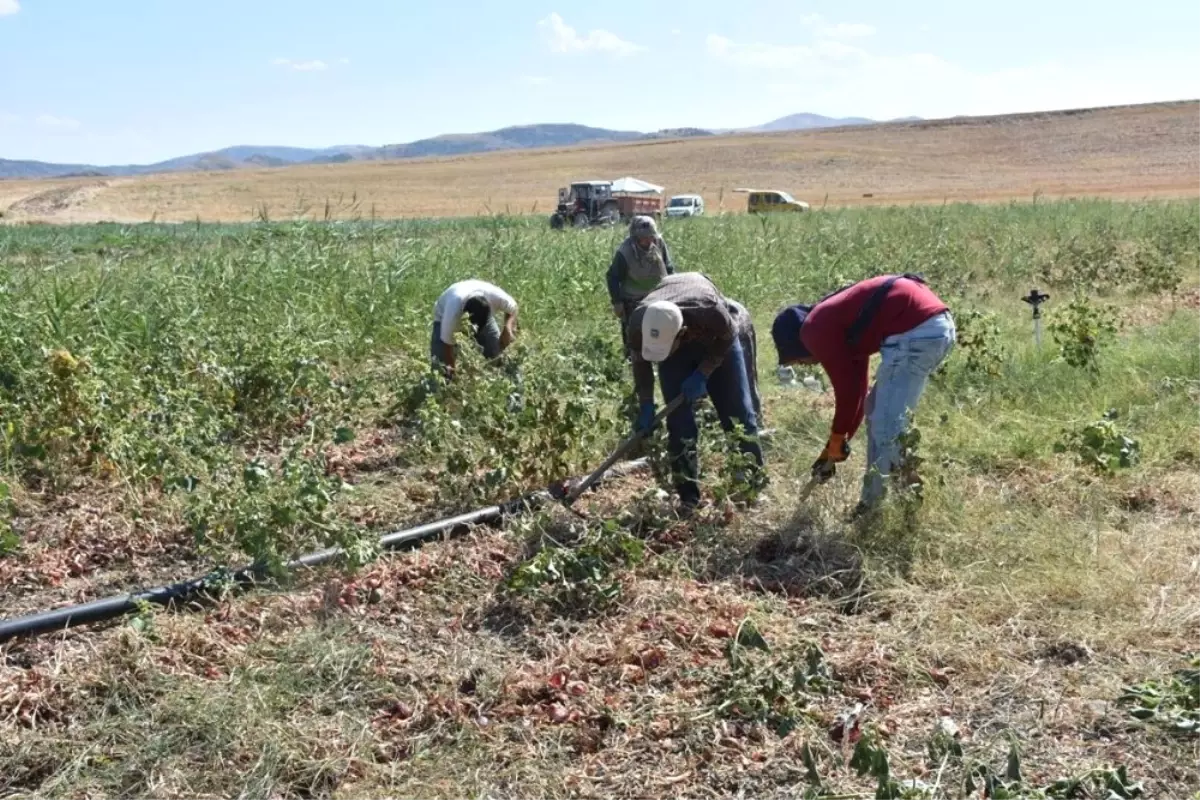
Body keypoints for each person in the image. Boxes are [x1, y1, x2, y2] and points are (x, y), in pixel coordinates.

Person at [770, 273, 955, 514]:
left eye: (798, 360)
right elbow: (858, 391)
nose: (805, 365)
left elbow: (846, 391)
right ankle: (876, 501)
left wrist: (837, 437)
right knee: (876, 410)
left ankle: (892, 503)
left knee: (887, 427)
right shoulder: (836, 324)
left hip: (916, 333)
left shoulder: (814, 330)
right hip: (932, 328)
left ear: (797, 342)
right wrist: (835, 446)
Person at [625, 272, 765, 513]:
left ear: (682, 334)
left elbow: (727, 337)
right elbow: (641, 362)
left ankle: (752, 489)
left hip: (718, 340)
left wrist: (703, 372)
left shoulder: (710, 310)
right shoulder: (639, 323)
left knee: (739, 416)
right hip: (676, 342)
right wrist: (646, 403)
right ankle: (688, 498)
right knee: (679, 424)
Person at [607, 215, 674, 354]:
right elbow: (612, 277)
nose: (648, 241)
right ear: (635, 238)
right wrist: (617, 302)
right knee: (634, 336)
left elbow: (669, 267)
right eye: (644, 238)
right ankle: (631, 362)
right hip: (633, 299)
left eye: (651, 237)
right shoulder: (625, 252)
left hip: (659, 296)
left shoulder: (659, 243)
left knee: (659, 332)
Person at [431, 279, 518, 379]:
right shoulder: (452, 313)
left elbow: (513, 308)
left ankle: (512, 387)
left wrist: (507, 327)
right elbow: (447, 347)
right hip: (442, 317)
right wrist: (452, 376)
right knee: (440, 367)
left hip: (480, 316)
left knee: (498, 355)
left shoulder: (495, 297)